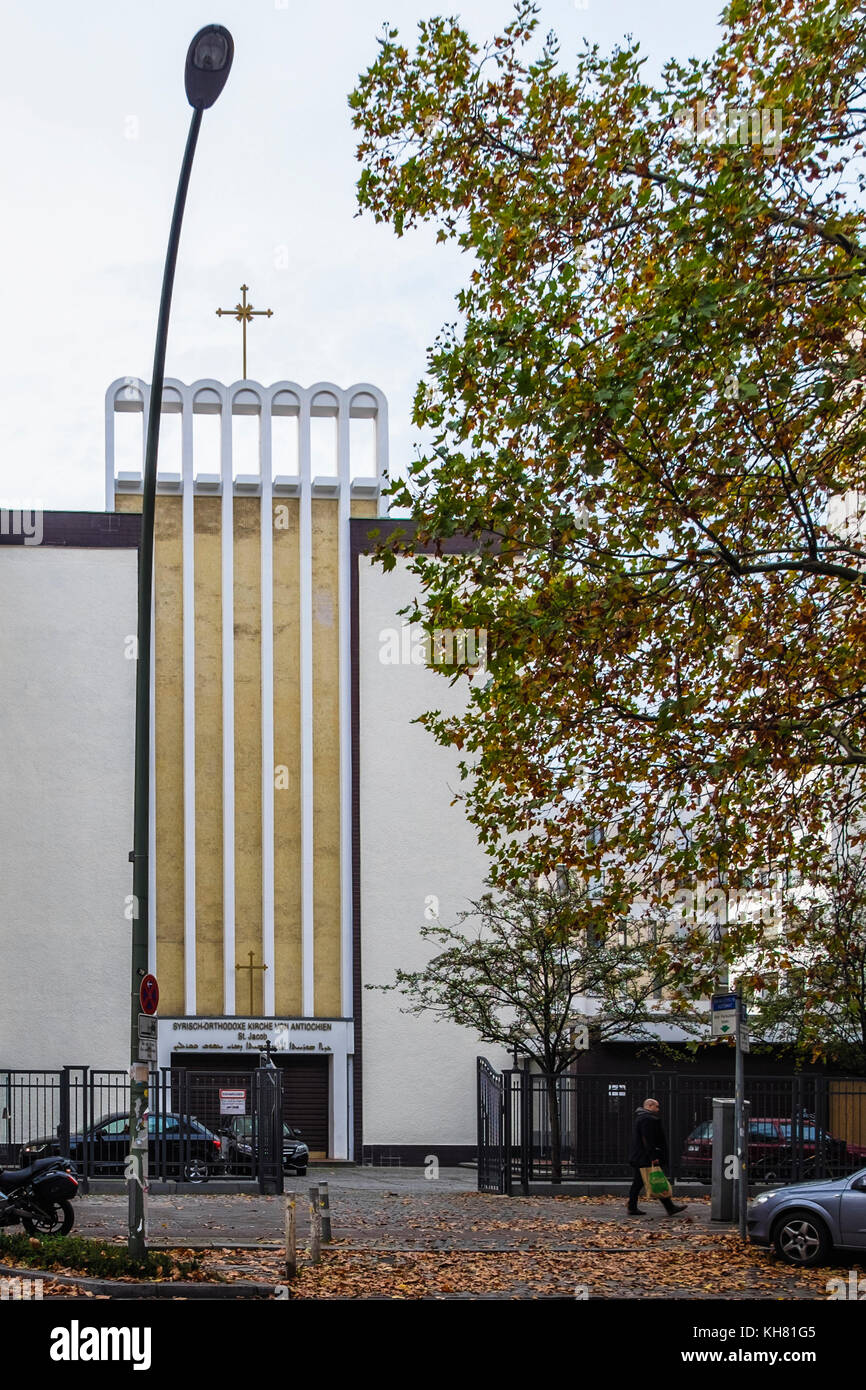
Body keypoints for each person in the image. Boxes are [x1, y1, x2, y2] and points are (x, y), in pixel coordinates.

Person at [626, 1097, 686, 1217]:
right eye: (656, 1106)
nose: (658, 1109)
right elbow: (648, 1140)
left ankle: (633, 1206)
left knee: (639, 1182)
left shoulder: (641, 1118)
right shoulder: (647, 1119)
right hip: (646, 1157)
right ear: (649, 1106)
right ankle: (669, 1207)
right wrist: (654, 1156)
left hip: (641, 1157)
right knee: (654, 1181)